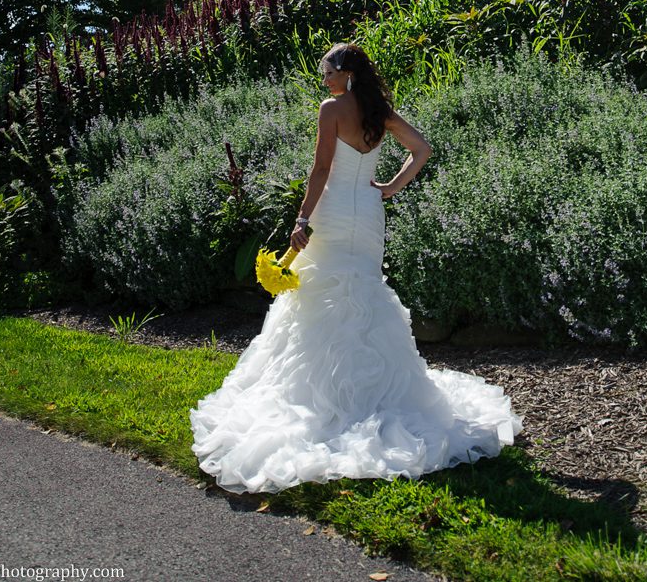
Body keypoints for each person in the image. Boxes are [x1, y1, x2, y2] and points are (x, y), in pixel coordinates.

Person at [190, 42, 522, 494]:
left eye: (327, 70)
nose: (323, 79)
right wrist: (388, 188)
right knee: (362, 291)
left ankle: (327, 400)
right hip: (367, 211)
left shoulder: (332, 109)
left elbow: (321, 169)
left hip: (333, 213)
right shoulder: (377, 111)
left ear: (344, 72)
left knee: (321, 294)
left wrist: (302, 218)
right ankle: (379, 394)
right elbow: (421, 149)